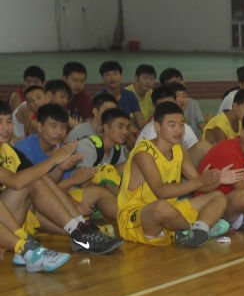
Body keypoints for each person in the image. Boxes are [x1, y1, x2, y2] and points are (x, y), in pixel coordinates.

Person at [6, 104, 122, 256]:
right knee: (35, 181)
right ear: (39, 127)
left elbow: (50, 189)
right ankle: (79, 231)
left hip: (43, 199)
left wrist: (64, 174)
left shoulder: (61, 149)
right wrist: (69, 177)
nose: (59, 132)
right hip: (23, 209)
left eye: (63, 127)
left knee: (97, 192)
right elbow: (31, 189)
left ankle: (126, 222)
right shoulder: (24, 149)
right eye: (53, 126)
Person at [118, 102, 237, 247]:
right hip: (137, 216)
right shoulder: (144, 152)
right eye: (172, 125)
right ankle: (190, 231)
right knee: (160, 207)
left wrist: (218, 180)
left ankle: (198, 231)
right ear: (157, 127)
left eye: (181, 125)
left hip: (171, 214)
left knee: (218, 197)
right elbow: (160, 191)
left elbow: (200, 185)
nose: (179, 130)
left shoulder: (179, 150)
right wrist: (201, 181)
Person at [97, 60, 145, 131]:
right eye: (108, 75)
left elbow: (140, 121)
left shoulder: (130, 95)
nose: (112, 77)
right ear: (102, 78)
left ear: (121, 76)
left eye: (115, 74)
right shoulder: (99, 97)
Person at [158, 68, 206, 134]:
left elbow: (201, 124)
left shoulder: (193, 103)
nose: (178, 85)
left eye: (179, 80)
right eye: (172, 83)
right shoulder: (163, 107)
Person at [62, 61, 91, 126]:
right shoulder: (56, 97)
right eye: (75, 80)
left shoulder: (84, 97)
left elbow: (88, 121)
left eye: (82, 81)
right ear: (64, 79)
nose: (78, 84)